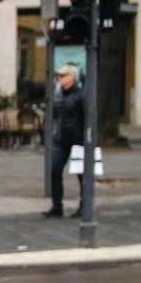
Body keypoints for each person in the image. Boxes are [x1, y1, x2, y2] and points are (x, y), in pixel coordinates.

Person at [45, 64, 85, 218]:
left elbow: (86, 117)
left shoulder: (81, 96)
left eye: (62, 76)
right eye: (58, 76)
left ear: (72, 78)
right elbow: (55, 115)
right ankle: (57, 205)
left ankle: (84, 206)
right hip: (62, 139)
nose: (59, 79)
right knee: (55, 170)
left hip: (78, 140)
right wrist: (56, 132)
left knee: (82, 175)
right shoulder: (59, 95)